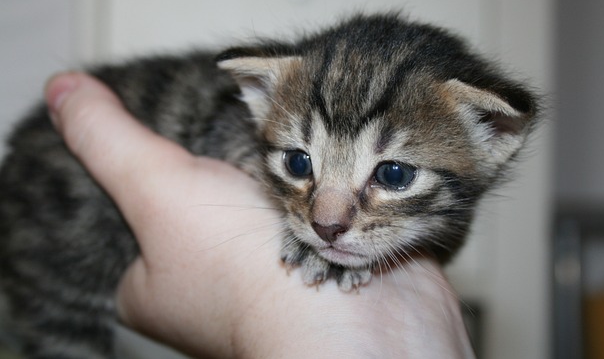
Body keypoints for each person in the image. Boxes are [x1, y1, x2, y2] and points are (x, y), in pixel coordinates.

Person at [45, 71, 475, 359]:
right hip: (64, 225)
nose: (326, 221)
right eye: (301, 165)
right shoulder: (269, 121)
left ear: (494, 131)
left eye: (392, 174)